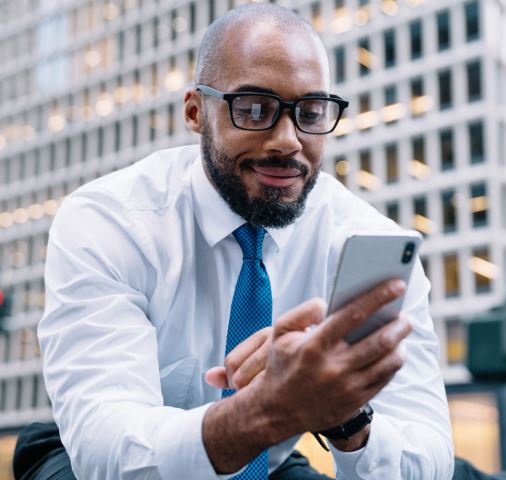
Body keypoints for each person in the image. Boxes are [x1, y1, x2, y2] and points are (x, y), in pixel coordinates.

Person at [31, 4, 453, 479]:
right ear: (196, 112)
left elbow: (430, 458)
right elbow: (106, 449)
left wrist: (345, 412)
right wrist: (265, 411)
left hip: (269, 460)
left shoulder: (372, 242)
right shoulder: (109, 221)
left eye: (310, 112)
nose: (288, 140)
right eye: (255, 109)